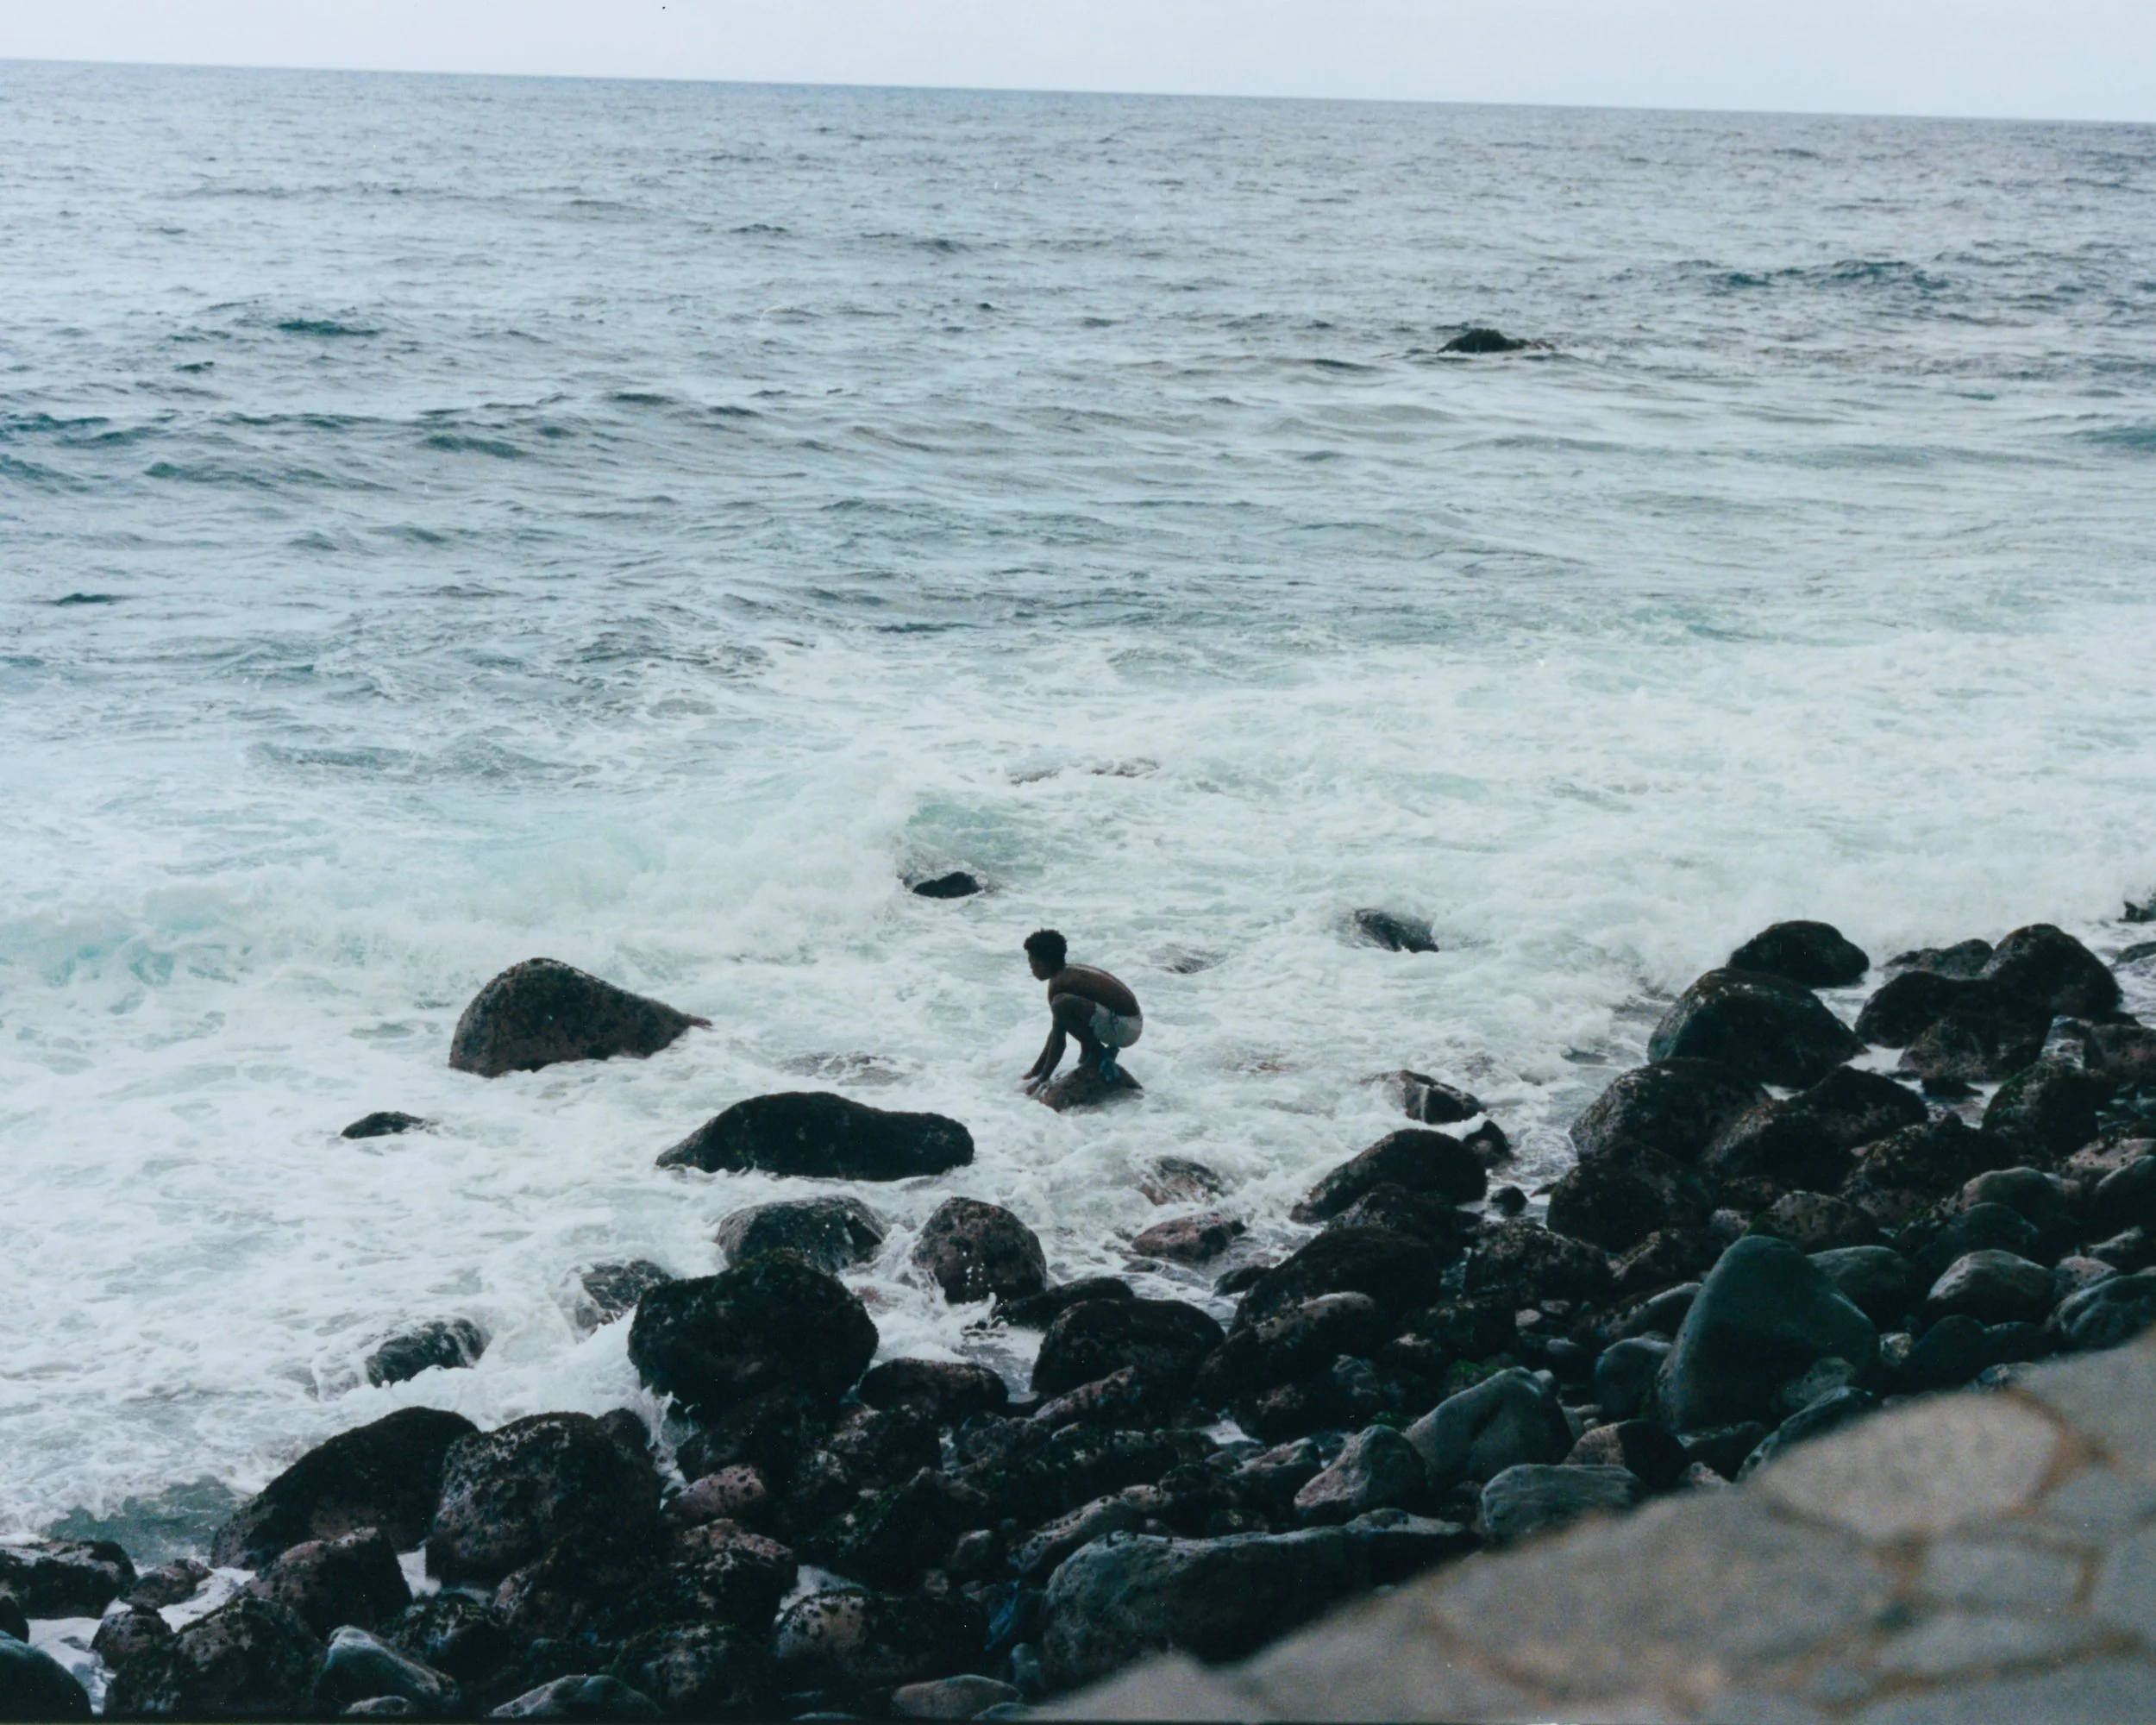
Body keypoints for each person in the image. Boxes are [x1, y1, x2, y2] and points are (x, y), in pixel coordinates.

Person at [1020, 928, 1142, 1092]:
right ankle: (1089, 1056)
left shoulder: (1059, 984)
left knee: (1061, 1004)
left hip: (1124, 1028)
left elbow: (1058, 1038)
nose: (1031, 968)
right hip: (1130, 1023)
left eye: (1031, 962)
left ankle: (1097, 1054)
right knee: (1067, 1008)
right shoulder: (1067, 973)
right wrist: (1035, 1071)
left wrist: (1042, 1077)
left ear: (1043, 964)